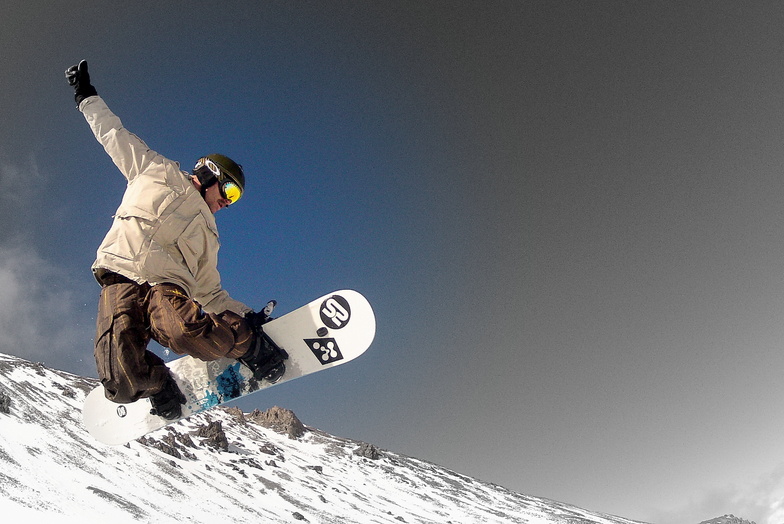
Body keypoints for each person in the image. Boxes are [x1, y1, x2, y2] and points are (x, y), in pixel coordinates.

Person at [65, 60, 287, 420]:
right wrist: (85, 96)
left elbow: (211, 293)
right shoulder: (153, 169)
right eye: (229, 190)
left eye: (235, 199)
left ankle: (248, 345)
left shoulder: (208, 234)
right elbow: (112, 134)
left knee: (183, 330)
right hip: (119, 277)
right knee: (118, 379)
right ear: (208, 173)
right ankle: (158, 383)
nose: (227, 202)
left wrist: (248, 317)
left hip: (165, 287)